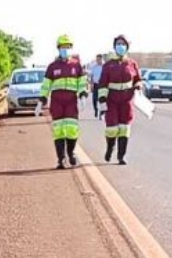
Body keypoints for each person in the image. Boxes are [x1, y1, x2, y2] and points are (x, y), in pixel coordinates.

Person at [39, 35, 88, 169]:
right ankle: (61, 159)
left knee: (72, 130)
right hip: (57, 103)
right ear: (58, 48)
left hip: (71, 101)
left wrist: (83, 95)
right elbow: (46, 85)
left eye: (67, 47)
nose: (65, 50)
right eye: (63, 47)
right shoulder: (52, 67)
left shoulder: (77, 66)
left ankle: (71, 153)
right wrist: (41, 100)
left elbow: (82, 83)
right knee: (58, 131)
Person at [97, 35, 142, 165]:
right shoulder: (108, 65)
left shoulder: (132, 63)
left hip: (127, 99)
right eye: (118, 44)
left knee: (125, 127)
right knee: (112, 128)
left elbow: (138, 79)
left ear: (127, 47)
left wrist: (138, 86)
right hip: (112, 99)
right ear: (115, 46)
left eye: (123, 44)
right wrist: (102, 98)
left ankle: (121, 156)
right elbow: (103, 82)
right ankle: (110, 147)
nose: (120, 46)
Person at [88, 53, 105, 118]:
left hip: (102, 85)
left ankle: (101, 113)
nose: (98, 60)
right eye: (97, 59)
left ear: (101, 59)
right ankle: (96, 110)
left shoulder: (104, 67)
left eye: (99, 59)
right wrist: (91, 85)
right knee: (94, 99)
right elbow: (92, 76)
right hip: (95, 85)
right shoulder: (94, 67)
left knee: (102, 99)